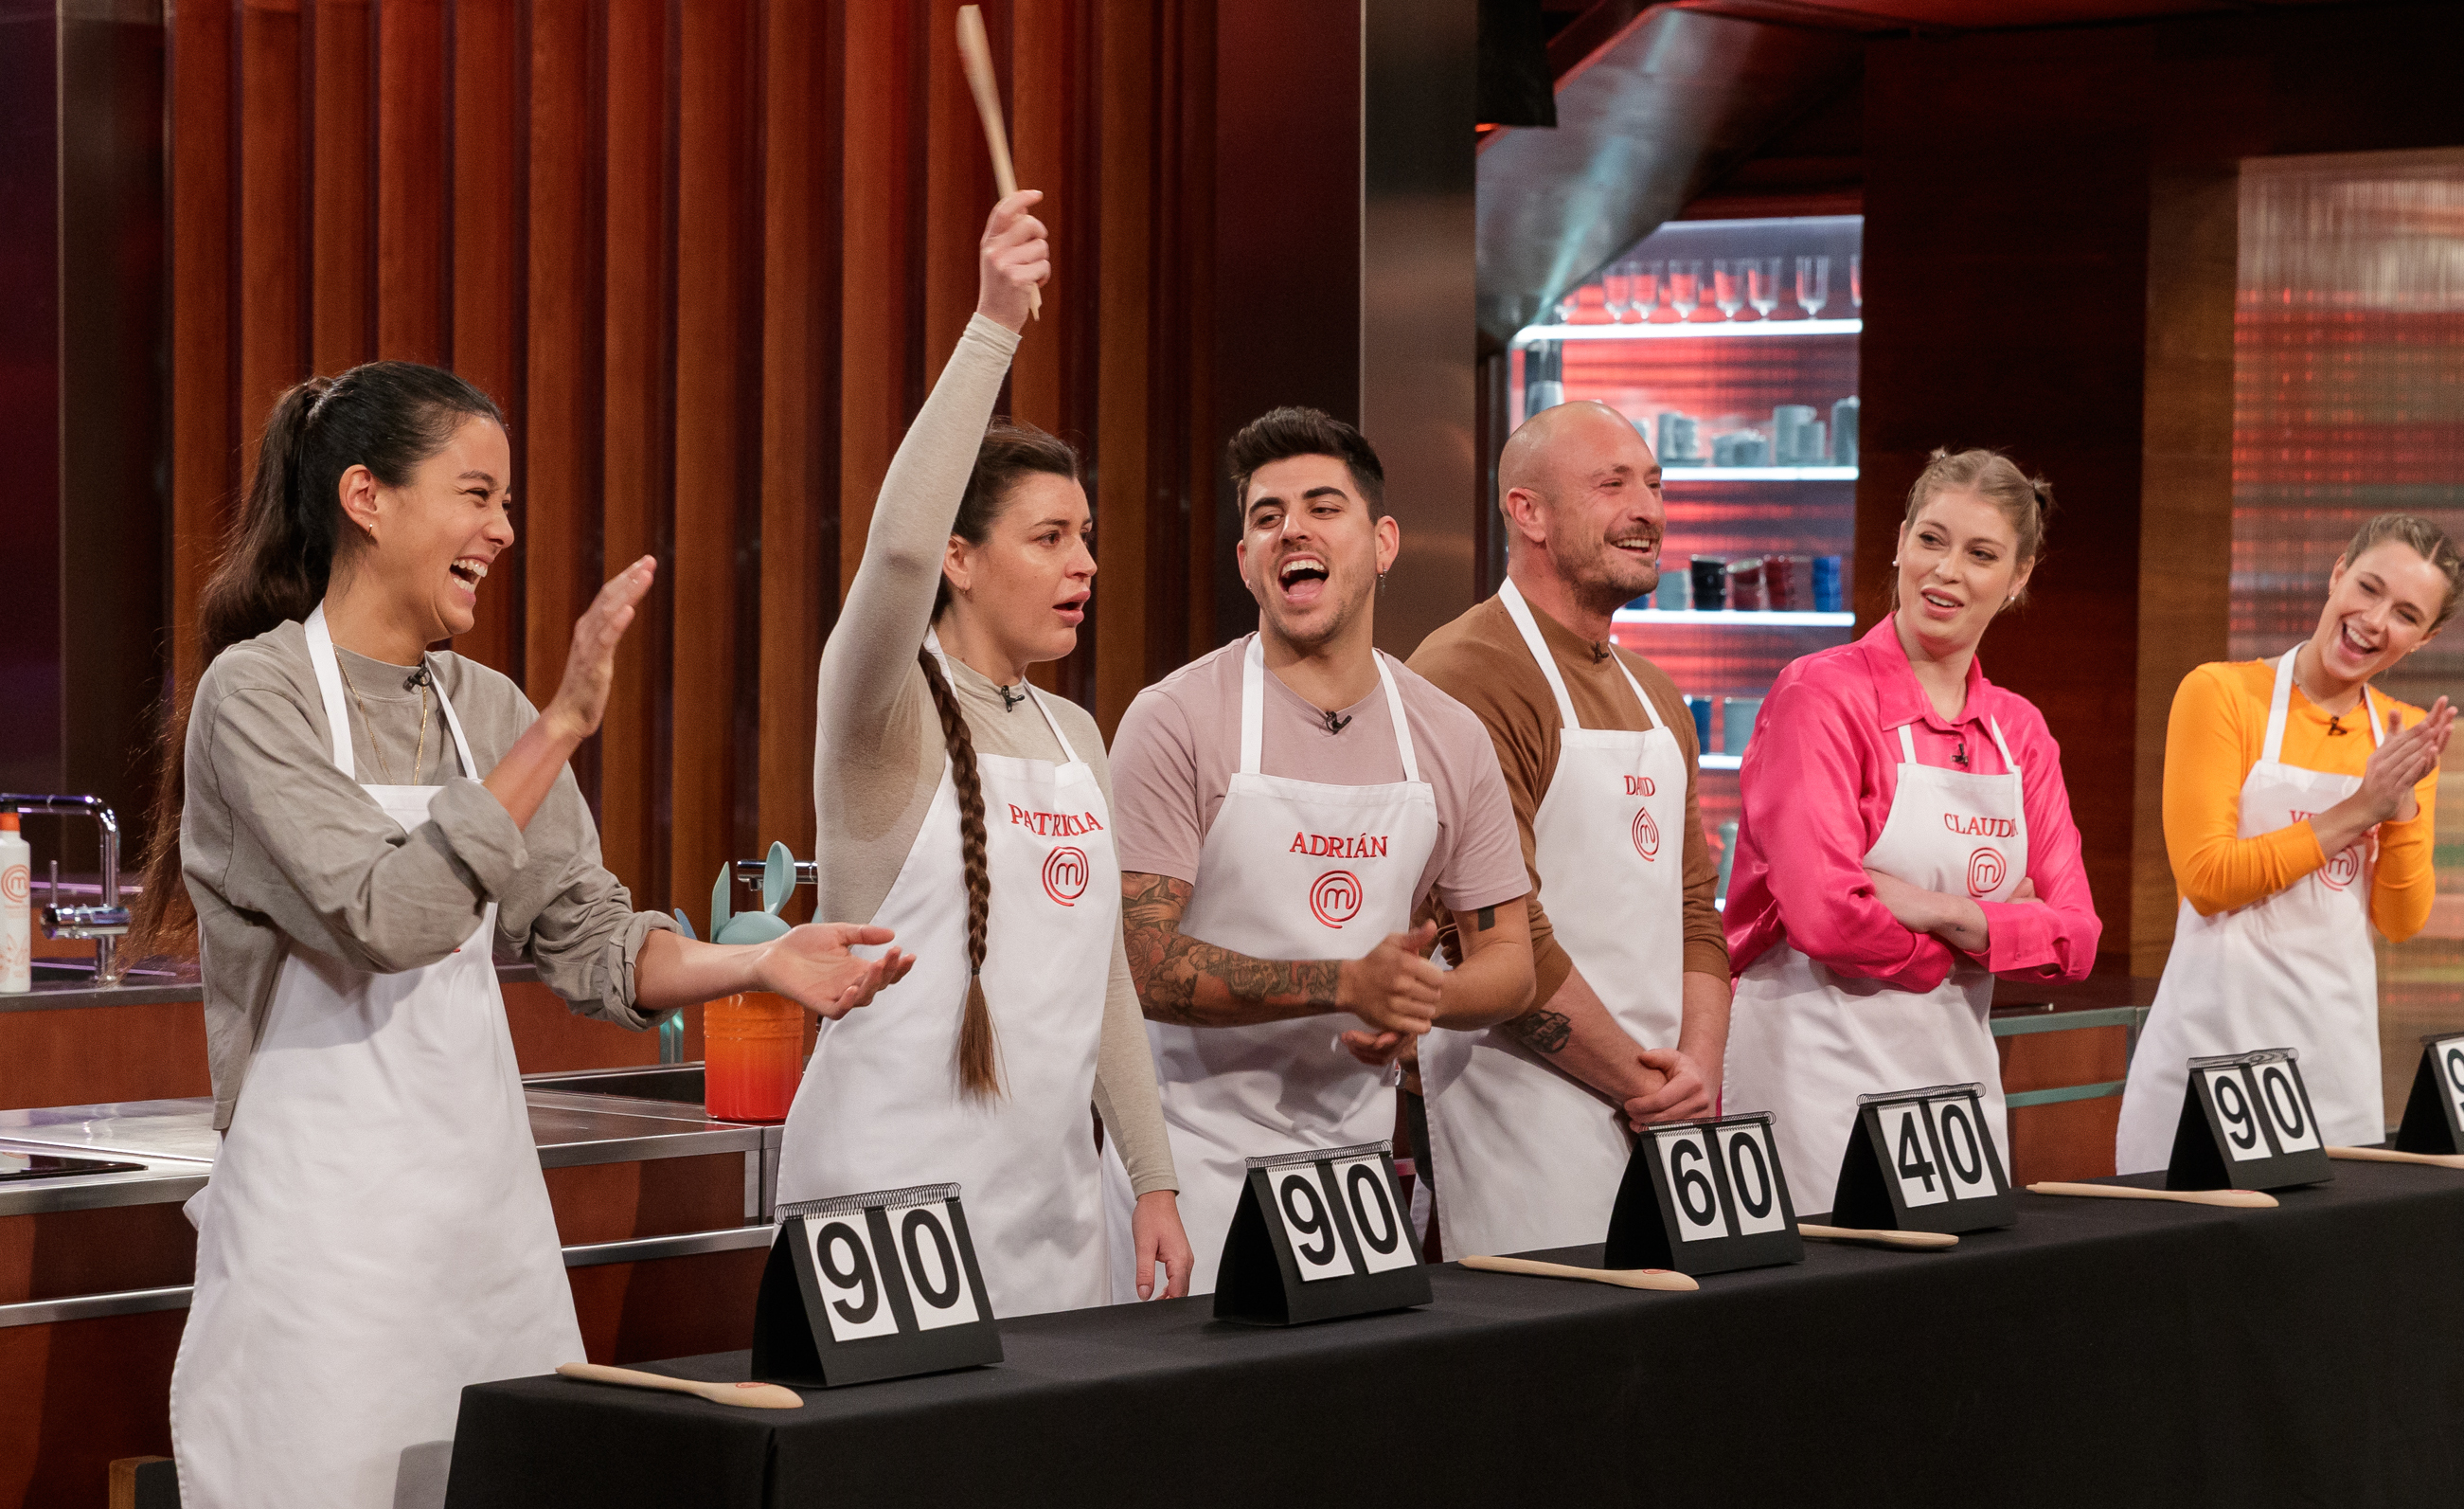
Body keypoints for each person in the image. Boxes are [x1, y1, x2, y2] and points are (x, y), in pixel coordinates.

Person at [136, 362, 911, 1509]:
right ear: (367, 497)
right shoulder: (256, 697)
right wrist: (563, 726)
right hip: (321, 1255)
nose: (504, 529)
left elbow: (591, 939)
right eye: (478, 494)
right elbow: (390, 917)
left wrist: (758, 962)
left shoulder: (487, 707)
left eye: (507, 502)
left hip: (480, 1236)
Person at [779, 191, 1192, 1313]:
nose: (1084, 563)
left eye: (1086, 537)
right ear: (960, 560)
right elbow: (895, 551)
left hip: (1052, 1211)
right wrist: (993, 324)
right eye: (1049, 537)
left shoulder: (1076, 732)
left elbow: (1103, 977)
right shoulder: (881, 709)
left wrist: (1152, 1175)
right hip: (885, 1207)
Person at [1105, 406, 1535, 1294]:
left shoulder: (1449, 735)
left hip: (1353, 1185)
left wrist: (1418, 997)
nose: (1292, 529)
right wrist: (1346, 982)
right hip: (1189, 1177)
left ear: (1383, 543)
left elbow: (1509, 964)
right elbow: (1141, 967)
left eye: (1322, 507)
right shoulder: (1175, 718)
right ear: (1246, 563)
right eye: (1267, 516)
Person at [1725, 447, 2101, 1217]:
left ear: (2018, 576)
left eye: (1981, 554)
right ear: (1899, 541)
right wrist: (1990, 934)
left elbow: (2075, 939)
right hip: (1815, 1073)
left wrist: (1938, 910)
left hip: (1955, 1088)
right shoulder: (1817, 694)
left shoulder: (2019, 731)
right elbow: (1826, 917)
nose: (1945, 571)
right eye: (1931, 539)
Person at [1405, 400, 1729, 1258]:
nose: (1647, 510)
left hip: (1663, 1107)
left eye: (1654, 485)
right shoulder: (1467, 671)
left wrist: (1697, 1071)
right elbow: (1495, 932)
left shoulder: (1658, 695)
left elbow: (1695, 911)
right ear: (1528, 512)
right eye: (1611, 484)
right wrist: (1648, 1087)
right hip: (1518, 1106)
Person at [2116, 513, 2463, 1172]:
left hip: (2332, 1073)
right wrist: (2360, 810)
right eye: (2367, 587)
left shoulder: (2405, 736)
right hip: (2206, 1063)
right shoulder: (2221, 694)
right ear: (2337, 573)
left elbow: (2400, 920)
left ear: (2424, 638)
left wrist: (2402, 807)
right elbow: (2208, 880)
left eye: (2405, 615)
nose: (2373, 620)